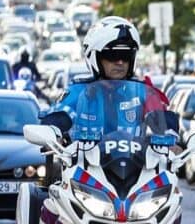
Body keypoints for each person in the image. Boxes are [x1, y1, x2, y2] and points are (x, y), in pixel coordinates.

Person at [40, 17, 178, 140]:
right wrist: (51, 130)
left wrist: (170, 137)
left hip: (135, 167)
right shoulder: (78, 91)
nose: (120, 62)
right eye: (113, 55)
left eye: (126, 56)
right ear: (95, 58)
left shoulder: (144, 92)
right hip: (85, 167)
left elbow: (162, 119)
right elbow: (59, 115)